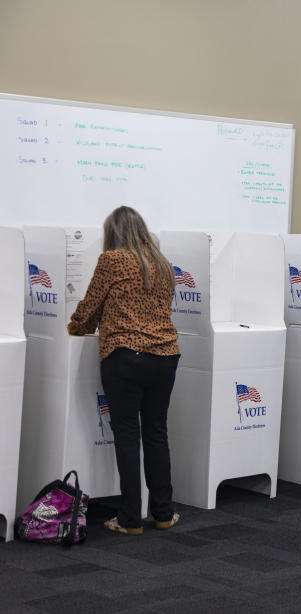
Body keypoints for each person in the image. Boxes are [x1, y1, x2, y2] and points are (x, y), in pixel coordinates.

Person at [67, 206, 181, 534]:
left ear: (113, 232)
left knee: (128, 436)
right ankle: (163, 512)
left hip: (126, 357)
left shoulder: (112, 260)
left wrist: (76, 327)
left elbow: (91, 304)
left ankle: (131, 518)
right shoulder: (162, 262)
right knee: (157, 434)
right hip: (165, 356)